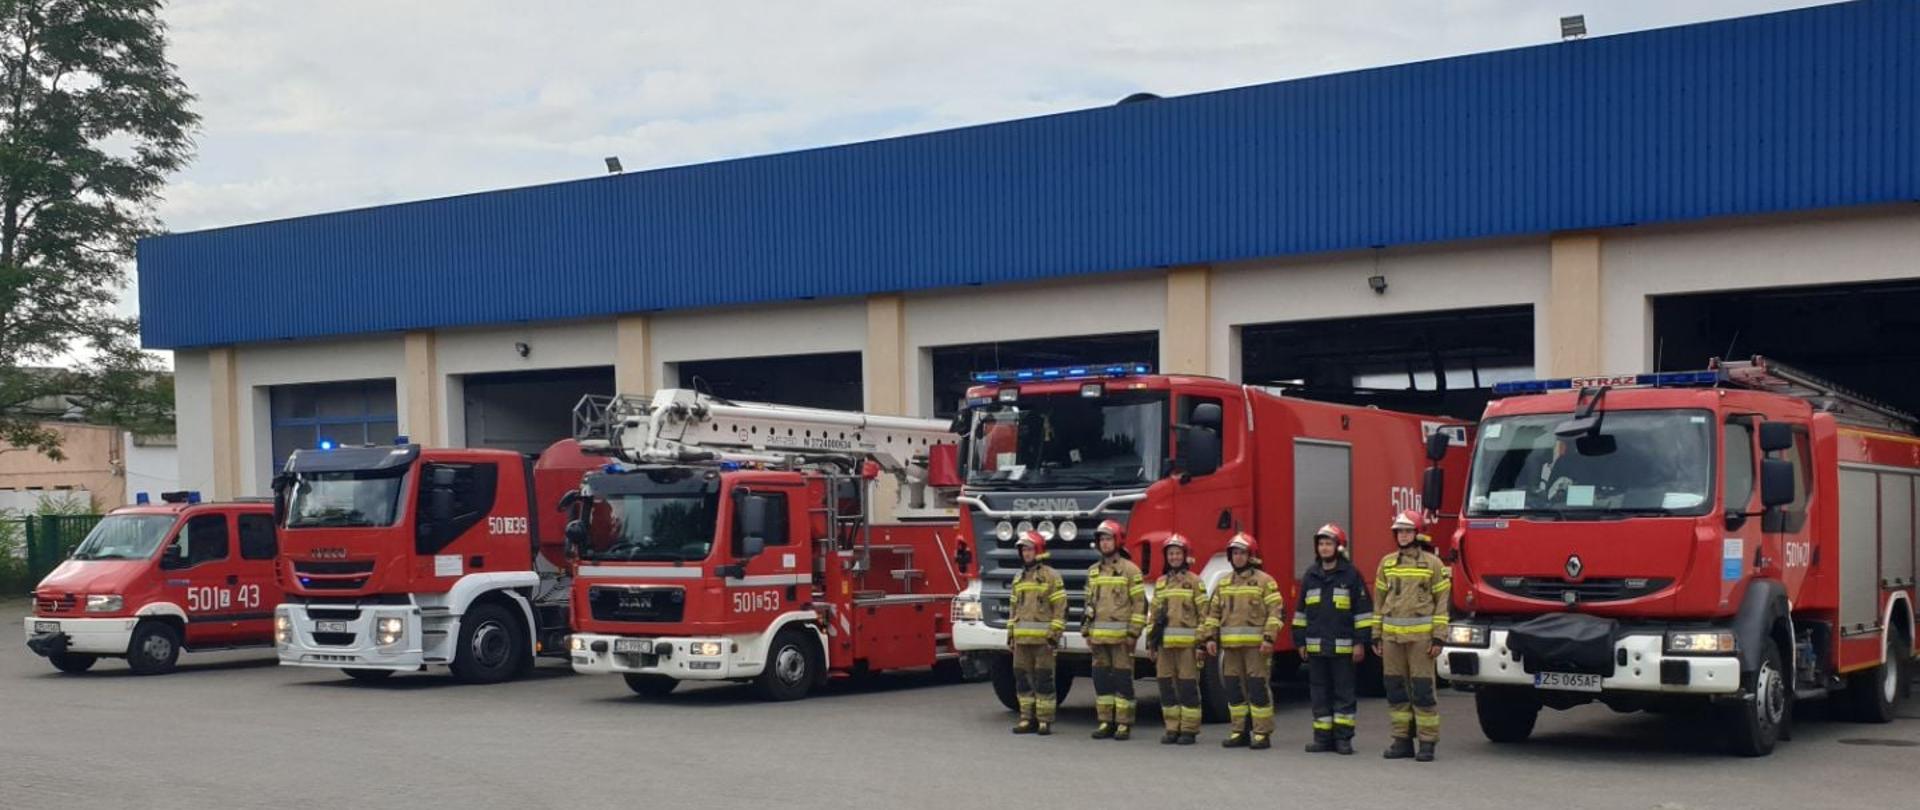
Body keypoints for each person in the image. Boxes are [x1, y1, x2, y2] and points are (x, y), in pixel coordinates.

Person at [1374, 510, 1450, 762]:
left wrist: (1439, 638)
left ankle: (1427, 742)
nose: (1403, 536)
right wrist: (1376, 635)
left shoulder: (1433, 564)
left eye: (1408, 531)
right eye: (1400, 531)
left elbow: (1442, 604)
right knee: (1395, 690)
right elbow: (1379, 602)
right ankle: (1401, 740)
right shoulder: (1387, 563)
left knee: (1422, 690)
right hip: (1392, 640)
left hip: (1421, 641)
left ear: (1418, 533)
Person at [1292, 523, 1375, 755]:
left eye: (1329, 543)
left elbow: (1362, 612)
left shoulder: (1350, 575)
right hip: (1316, 647)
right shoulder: (1311, 574)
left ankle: (1343, 739)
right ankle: (1322, 738)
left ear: (1339, 547)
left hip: (1343, 649)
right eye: (1321, 544)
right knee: (1319, 694)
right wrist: (1300, 642)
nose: (1324, 548)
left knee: (1344, 694)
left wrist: (1360, 642)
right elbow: (1301, 613)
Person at [1202, 532, 1283, 750]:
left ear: (1251, 555)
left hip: (1256, 648)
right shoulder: (1224, 583)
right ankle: (1239, 730)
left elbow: (1275, 612)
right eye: (1235, 553)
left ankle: (1261, 732)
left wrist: (1269, 638)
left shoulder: (1265, 582)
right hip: (1230, 649)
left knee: (1257, 689)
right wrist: (1209, 638)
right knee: (1234, 690)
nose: (1238, 557)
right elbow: (1213, 614)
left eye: (1242, 553)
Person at [1083, 519, 1147, 740]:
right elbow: (1088, 604)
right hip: (1098, 639)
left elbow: (1139, 604)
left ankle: (1123, 723)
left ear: (1118, 540)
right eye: (1101, 539)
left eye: (1108, 538)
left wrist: (1133, 633)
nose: (1104, 543)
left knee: (1122, 681)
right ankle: (1105, 722)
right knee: (1101, 681)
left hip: (1121, 639)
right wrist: (1086, 632)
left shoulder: (1130, 571)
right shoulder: (1093, 572)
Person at [1146, 533, 1207, 745]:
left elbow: (1204, 615)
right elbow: (1154, 615)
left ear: (1185, 555)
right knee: (1166, 687)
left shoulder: (1195, 582)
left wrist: (1201, 643)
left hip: (1187, 648)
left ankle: (1189, 730)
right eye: (1170, 553)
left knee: (1187, 687)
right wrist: (1151, 643)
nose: (1173, 557)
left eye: (1177, 553)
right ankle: (1172, 728)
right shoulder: (1161, 583)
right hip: (1165, 647)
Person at [1007, 529, 1067, 735]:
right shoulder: (1018, 578)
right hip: (1022, 641)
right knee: (1022, 679)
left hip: (1044, 642)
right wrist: (1011, 635)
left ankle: (1044, 720)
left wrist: (1054, 635)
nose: (1026, 553)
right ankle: (1026, 718)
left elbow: (1060, 609)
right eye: (1023, 550)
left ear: (1038, 550)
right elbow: (1013, 610)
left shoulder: (1051, 577)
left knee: (1044, 680)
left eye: (1030, 549)